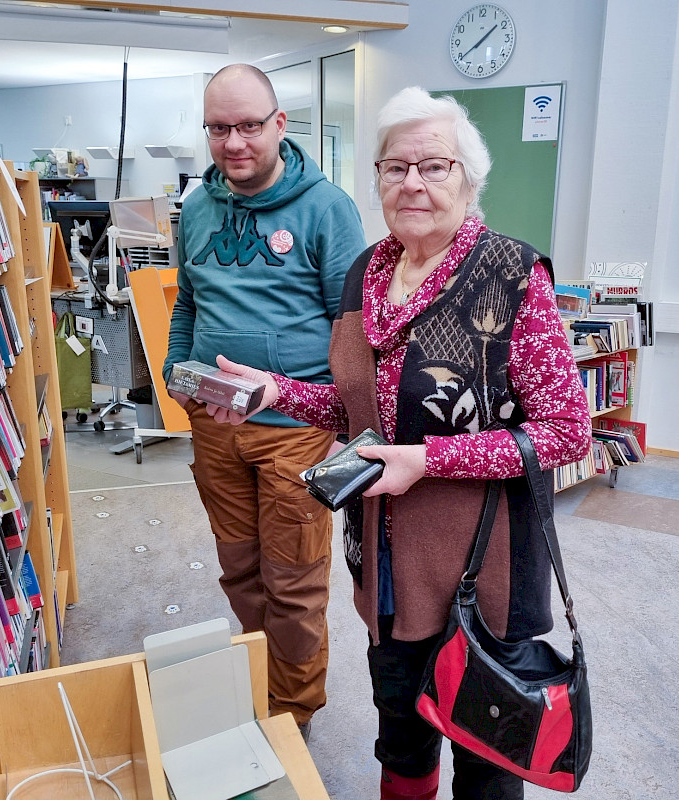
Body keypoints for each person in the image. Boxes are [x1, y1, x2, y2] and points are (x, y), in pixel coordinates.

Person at [203, 86, 592, 799]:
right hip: (384, 567)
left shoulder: (512, 275)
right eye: (395, 167)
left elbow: (567, 431)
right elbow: (359, 412)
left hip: (483, 571)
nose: (412, 182)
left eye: (434, 166)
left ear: (468, 179)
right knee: (403, 743)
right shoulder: (368, 272)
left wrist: (428, 461)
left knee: (485, 758)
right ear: (378, 177)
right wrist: (275, 392)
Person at [163, 63, 366, 738]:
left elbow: (352, 327)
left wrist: (342, 421)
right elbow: (188, 302)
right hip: (213, 421)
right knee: (240, 569)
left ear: (280, 124)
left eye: (249, 125)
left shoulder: (327, 208)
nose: (234, 143)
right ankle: (262, 683)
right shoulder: (198, 207)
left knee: (293, 579)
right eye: (218, 128)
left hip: (295, 429)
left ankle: (292, 715)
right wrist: (174, 369)